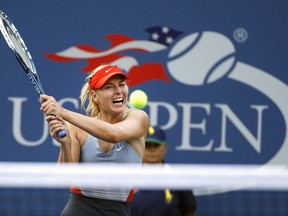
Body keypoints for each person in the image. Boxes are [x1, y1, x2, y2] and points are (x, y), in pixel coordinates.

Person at [40, 64, 149, 216]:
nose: (118, 91)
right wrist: (65, 144)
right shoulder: (76, 129)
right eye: (109, 87)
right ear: (95, 95)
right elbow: (65, 179)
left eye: (122, 85)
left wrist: (63, 112)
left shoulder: (139, 118)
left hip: (118, 211)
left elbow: (115, 134)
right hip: (78, 210)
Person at [130, 126, 197, 216]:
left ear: (165, 148)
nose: (152, 149)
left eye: (156, 145)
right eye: (148, 145)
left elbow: (189, 212)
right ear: (140, 147)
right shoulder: (129, 177)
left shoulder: (179, 179)